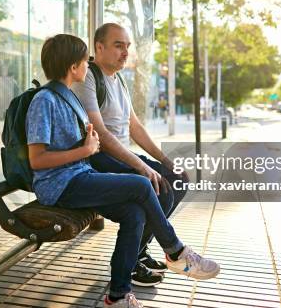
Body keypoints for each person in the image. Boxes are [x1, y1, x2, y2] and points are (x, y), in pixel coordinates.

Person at [27, 34, 219, 308]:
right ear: (73, 67)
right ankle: (175, 251)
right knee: (141, 185)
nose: (88, 64)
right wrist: (86, 150)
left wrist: (86, 146)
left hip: (80, 177)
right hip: (59, 185)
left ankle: (117, 295)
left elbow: (85, 143)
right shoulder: (44, 100)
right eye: (85, 60)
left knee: (135, 212)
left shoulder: (67, 97)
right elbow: (37, 159)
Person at [72, 23, 191, 287]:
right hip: (99, 159)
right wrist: (142, 167)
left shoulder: (119, 79)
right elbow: (100, 133)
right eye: (118, 45)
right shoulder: (89, 77)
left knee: (178, 178)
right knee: (161, 188)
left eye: (127, 46)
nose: (125, 52)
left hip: (122, 155)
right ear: (99, 47)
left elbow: (134, 127)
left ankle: (139, 251)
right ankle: (135, 261)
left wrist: (165, 160)